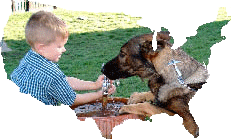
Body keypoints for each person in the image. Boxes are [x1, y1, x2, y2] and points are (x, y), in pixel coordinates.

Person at [10, 10, 116, 107]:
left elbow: (62, 82)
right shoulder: (51, 73)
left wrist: (94, 85)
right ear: (41, 47)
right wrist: (100, 94)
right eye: (59, 46)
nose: (64, 50)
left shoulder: (29, 58)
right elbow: (72, 100)